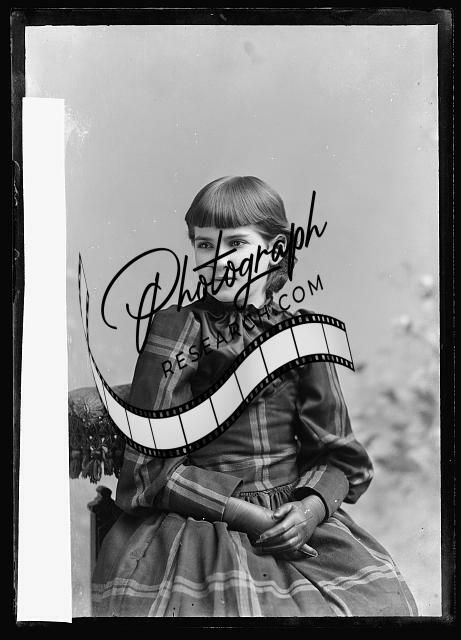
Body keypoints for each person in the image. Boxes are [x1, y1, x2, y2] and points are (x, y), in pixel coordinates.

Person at [92, 176, 418, 617]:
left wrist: (309, 511)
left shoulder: (302, 334)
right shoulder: (179, 329)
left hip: (293, 518)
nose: (218, 260)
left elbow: (341, 459)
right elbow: (150, 472)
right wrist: (251, 517)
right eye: (204, 245)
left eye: (236, 244)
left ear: (276, 250)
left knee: (376, 605)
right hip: (201, 519)